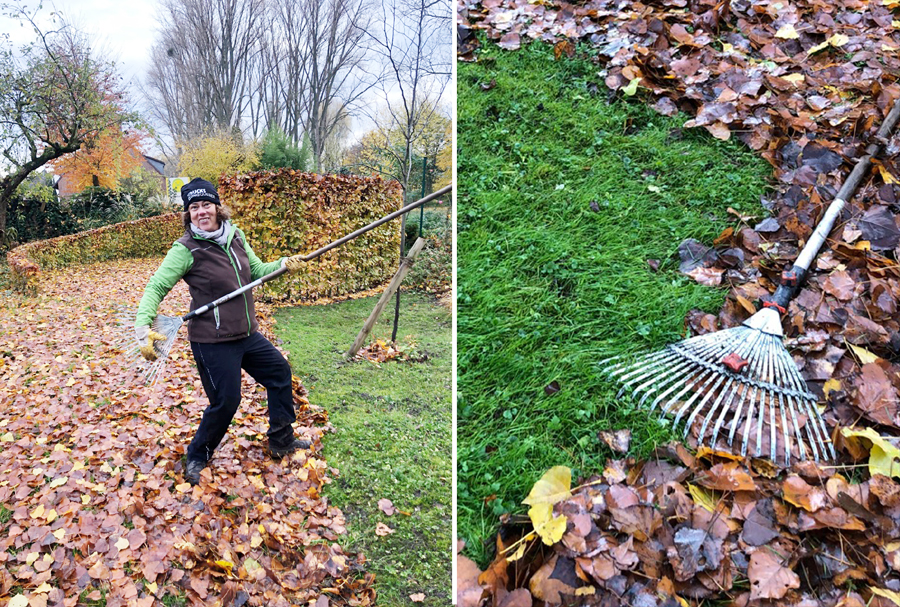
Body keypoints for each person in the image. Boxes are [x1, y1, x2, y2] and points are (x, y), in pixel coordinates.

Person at [135, 177, 308, 485]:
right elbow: (156, 285)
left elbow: (256, 272)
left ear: (217, 207)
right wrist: (143, 324)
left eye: (206, 205)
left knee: (279, 373)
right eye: (194, 207)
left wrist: (283, 264)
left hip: (246, 333)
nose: (201, 211)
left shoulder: (236, 236)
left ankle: (281, 441)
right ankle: (197, 455)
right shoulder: (186, 249)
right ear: (189, 214)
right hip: (212, 341)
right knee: (226, 401)